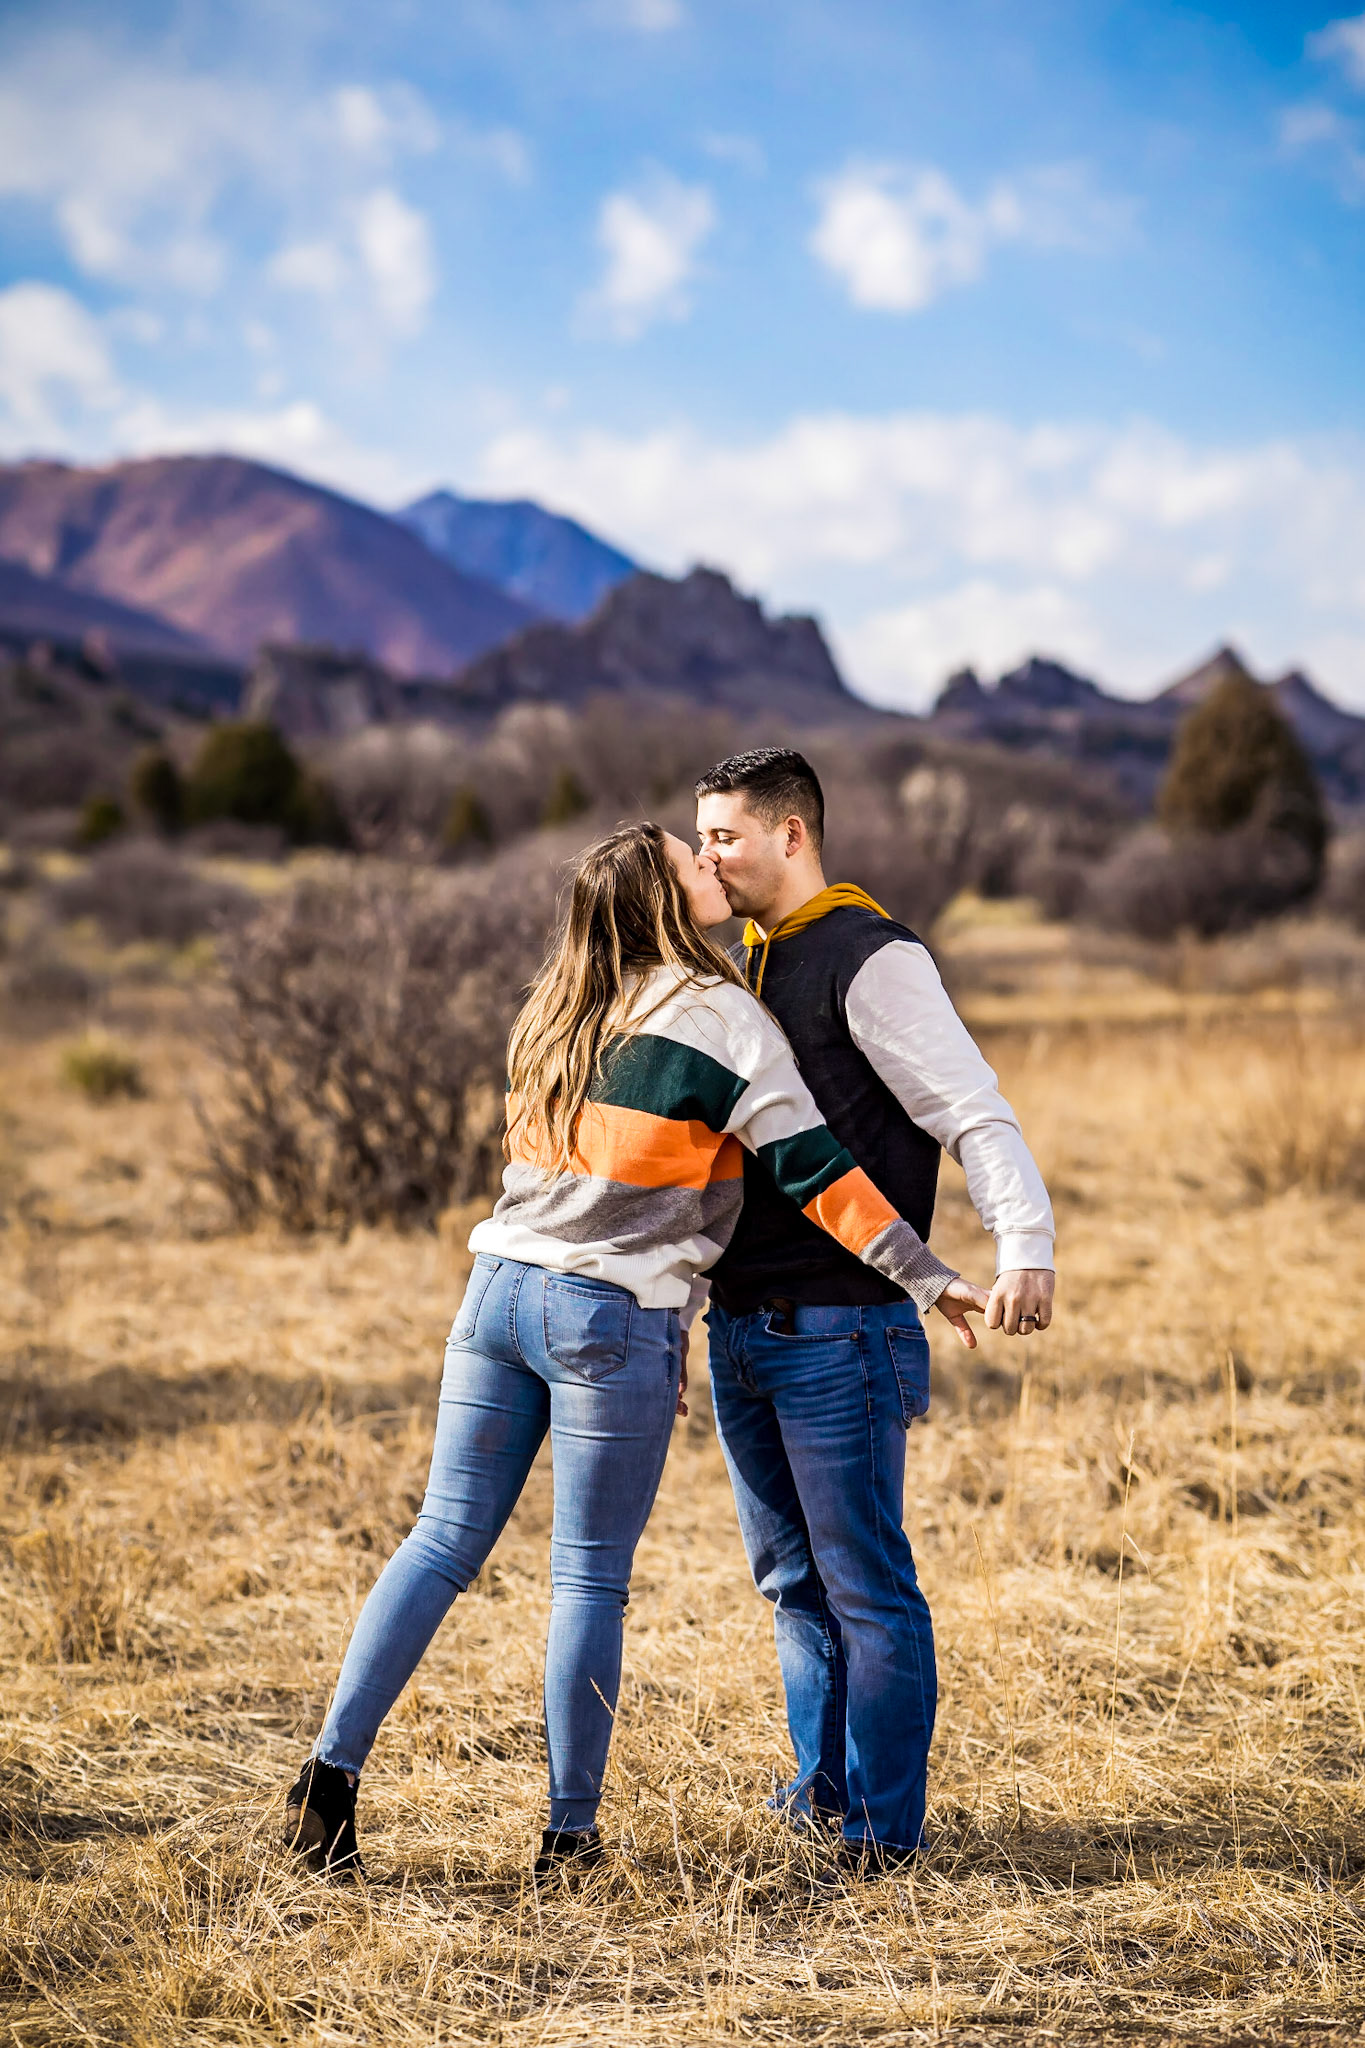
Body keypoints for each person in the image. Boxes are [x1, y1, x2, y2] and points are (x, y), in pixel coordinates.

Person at [283, 820, 991, 1880]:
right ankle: (568, 1837)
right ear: (662, 900)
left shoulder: (554, 1011)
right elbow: (817, 1173)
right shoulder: (722, 1017)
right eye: (689, 858)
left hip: (494, 1296)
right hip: (605, 1318)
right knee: (587, 1579)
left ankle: (328, 1775)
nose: (711, 863)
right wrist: (927, 1276)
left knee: (438, 1541)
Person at [695, 747, 1056, 1875]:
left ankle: (883, 1837)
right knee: (792, 1584)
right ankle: (821, 1794)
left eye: (725, 837)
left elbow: (972, 1111)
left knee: (865, 1588)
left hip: (843, 1329)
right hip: (741, 1327)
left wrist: (1025, 1244)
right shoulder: (744, 964)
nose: (709, 858)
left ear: (791, 834)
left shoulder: (872, 955)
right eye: (700, 838)